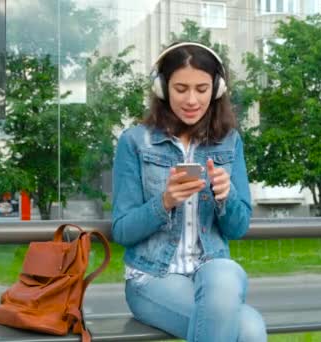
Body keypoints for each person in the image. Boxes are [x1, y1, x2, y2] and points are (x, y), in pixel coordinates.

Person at [111, 42, 267, 342]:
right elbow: (122, 230)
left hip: (212, 275)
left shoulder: (229, 142)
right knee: (249, 330)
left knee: (224, 272)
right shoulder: (135, 142)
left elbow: (238, 227)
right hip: (152, 277)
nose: (192, 100)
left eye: (202, 88)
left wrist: (226, 197)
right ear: (162, 88)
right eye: (181, 89)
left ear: (217, 89)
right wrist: (165, 202)